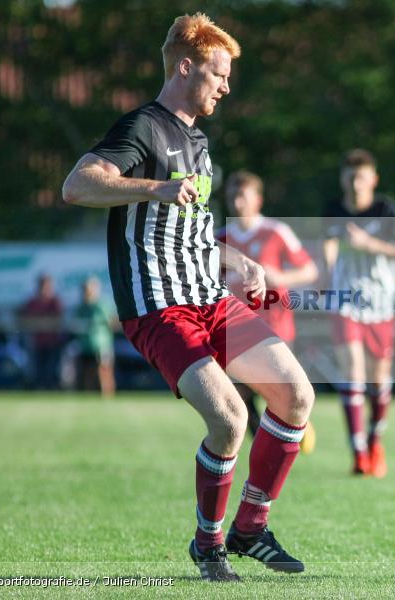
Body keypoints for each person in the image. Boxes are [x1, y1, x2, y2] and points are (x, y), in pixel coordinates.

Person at [62, 13, 315, 582]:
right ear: (185, 66)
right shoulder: (142, 128)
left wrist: (238, 260)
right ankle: (209, 543)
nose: (226, 86)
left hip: (209, 297)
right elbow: (76, 185)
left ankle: (250, 529)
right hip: (158, 307)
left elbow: (192, 231)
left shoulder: (198, 140)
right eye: (219, 73)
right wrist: (155, 185)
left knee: (296, 396)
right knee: (227, 420)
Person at [323, 149, 395, 477]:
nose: (355, 183)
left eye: (361, 176)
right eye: (349, 176)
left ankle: (375, 440)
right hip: (345, 303)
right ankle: (358, 453)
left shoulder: (386, 210)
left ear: (373, 179)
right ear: (343, 179)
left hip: (381, 304)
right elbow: (328, 244)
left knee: (378, 380)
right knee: (353, 373)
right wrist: (325, 270)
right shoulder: (333, 210)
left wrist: (369, 244)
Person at [217, 170, 319, 450]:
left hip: (275, 327)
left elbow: (310, 270)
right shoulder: (220, 238)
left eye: (243, 196)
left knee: (278, 392)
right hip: (235, 328)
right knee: (237, 393)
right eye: (232, 197)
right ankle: (266, 443)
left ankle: (294, 423)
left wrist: (281, 278)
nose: (237, 203)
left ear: (257, 200)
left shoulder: (276, 232)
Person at [18, 274, 64, 389]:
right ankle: (37, 388)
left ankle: (50, 388)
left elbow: (57, 320)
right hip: (37, 342)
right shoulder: (32, 302)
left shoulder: (55, 301)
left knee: (51, 369)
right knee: (36, 369)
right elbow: (25, 318)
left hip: (52, 342)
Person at [73, 276, 117, 398]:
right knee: (86, 372)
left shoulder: (102, 305)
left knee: (104, 372)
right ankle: (88, 396)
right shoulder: (80, 308)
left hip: (101, 345)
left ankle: (107, 396)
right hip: (85, 346)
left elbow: (112, 323)